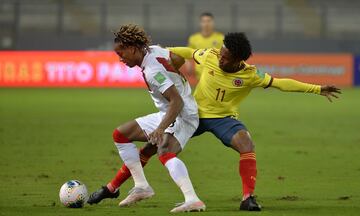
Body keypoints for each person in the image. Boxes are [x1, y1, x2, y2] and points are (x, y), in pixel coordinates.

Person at [88, 32, 341, 211]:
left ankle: (248, 198)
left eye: (226, 57)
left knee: (246, 143)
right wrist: (167, 59)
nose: (220, 58)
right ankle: (113, 187)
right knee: (151, 148)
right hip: (194, 114)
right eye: (221, 53)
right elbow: (183, 53)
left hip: (222, 119)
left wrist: (317, 89)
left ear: (239, 60)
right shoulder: (209, 55)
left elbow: (282, 83)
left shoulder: (251, 75)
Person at [87, 24, 205, 213]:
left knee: (164, 151)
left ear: (133, 49)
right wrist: (176, 77)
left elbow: (177, 102)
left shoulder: (152, 71)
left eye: (121, 53)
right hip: (167, 112)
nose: (120, 59)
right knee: (120, 134)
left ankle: (192, 199)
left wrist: (159, 130)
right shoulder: (154, 50)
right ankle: (141, 186)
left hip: (183, 115)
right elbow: (178, 58)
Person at [188, 12, 224, 79]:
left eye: (209, 21)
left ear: (213, 23)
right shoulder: (193, 38)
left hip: (216, 75)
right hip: (199, 75)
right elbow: (188, 53)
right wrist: (188, 64)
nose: (206, 24)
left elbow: (225, 55)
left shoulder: (221, 38)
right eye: (203, 21)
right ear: (200, 23)